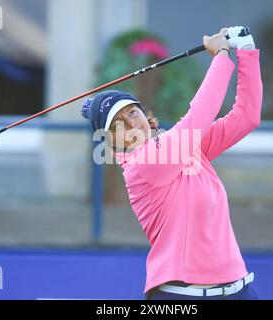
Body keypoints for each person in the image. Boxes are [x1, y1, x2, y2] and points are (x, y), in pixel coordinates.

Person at [80, 26, 262, 300]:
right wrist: (221, 55)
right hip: (181, 296)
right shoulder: (141, 164)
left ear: (145, 114)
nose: (131, 123)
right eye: (118, 124)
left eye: (132, 112)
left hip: (239, 289)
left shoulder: (185, 147)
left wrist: (246, 52)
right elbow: (199, 115)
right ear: (112, 141)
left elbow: (247, 117)